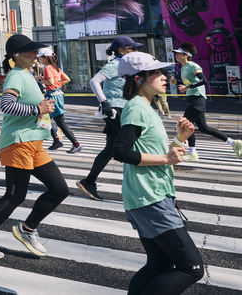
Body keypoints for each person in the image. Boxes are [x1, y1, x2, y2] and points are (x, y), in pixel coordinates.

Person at [113, 52, 205, 294]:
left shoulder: (145, 107)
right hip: (149, 198)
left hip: (149, 195)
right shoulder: (136, 108)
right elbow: (121, 152)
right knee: (192, 268)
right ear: (137, 79)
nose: (164, 77)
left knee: (160, 263)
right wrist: (166, 157)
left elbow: (154, 155)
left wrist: (178, 140)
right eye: (156, 72)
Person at [0, 34, 69, 261]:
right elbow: (7, 105)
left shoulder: (27, 74)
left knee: (59, 189)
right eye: (31, 50)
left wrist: (47, 122)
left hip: (34, 143)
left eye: (36, 50)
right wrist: (38, 109)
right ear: (16, 54)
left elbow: (35, 108)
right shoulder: (16, 76)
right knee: (15, 196)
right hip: (18, 142)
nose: (36, 54)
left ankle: (27, 228)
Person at [78, 36, 140, 201]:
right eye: (132, 48)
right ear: (122, 50)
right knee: (131, 144)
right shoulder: (115, 64)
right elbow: (94, 81)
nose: (135, 51)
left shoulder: (126, 65)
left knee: (111, 148)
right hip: (114, 110)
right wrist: (104, 102)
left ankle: (89, 181)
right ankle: (137, 188)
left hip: (121, 108)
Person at [174, 43, 242, 161]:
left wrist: (187, 88)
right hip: (194, 99)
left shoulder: (192, 65)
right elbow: (188, 83)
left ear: (186, 55)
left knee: (185, 126)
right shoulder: (184, 68)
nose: (176, 55)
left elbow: (203, 80)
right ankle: (234, 143)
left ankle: (192, 152)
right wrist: (176, 82)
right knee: (204, 128)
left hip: (197, 99)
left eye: (178, 53)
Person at [37, 48, 82, 154]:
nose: (39, 59)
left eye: (40, 57)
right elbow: (67, 79)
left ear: (45, 57)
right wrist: (58, 85)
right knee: (46, 118)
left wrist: (38, 79)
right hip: (58, 94)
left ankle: (76, 144)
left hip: (52, 95)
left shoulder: (48, 67)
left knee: (59, 122)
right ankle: (56, 140)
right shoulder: (55, 67)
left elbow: (50, 81)